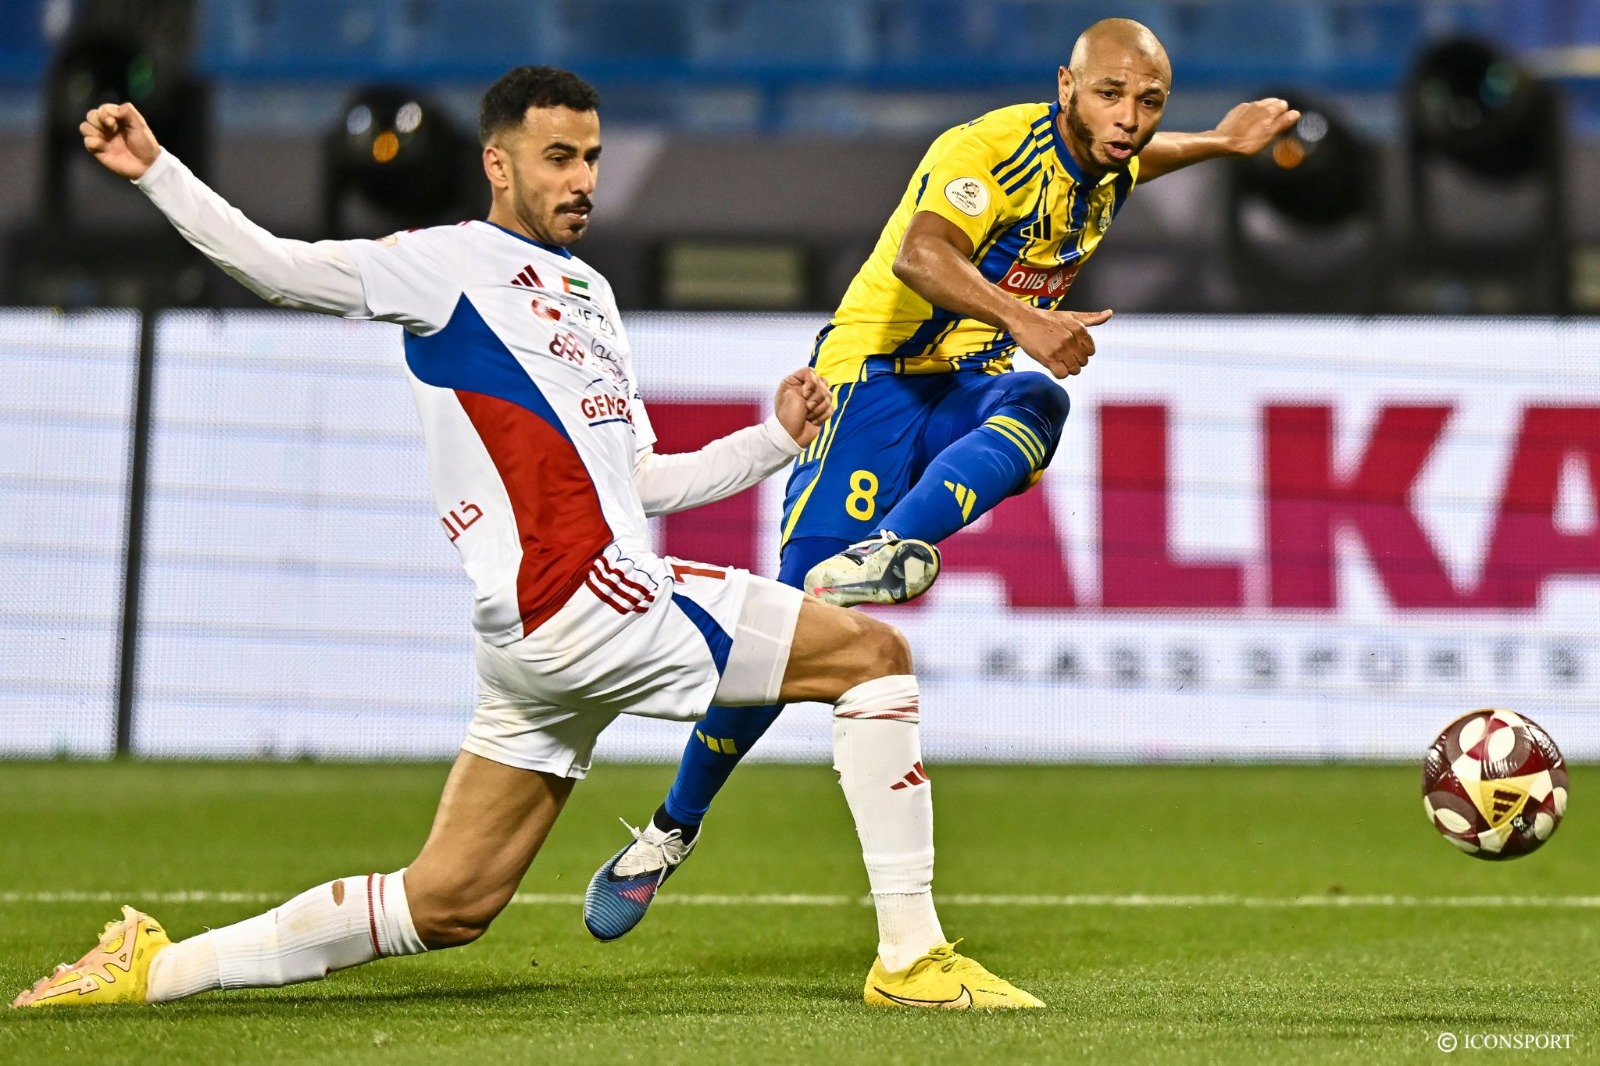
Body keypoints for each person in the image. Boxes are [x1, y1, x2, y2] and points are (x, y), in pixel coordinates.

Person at [12, 67, 1042, 1011]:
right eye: (558, 158)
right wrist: (156, 171)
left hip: (535, 641)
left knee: (446, 902)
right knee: (873, 655)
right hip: (587, 597)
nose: (581, 179)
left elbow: (641, 481)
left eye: (591, 156)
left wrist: (773, 439)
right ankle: (912, 960)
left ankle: (151, 969)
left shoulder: (591, 296)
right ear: (497, 165)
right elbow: (276, 268)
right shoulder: (445, 266)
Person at [585, 19, 1300, 938]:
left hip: (963, 380)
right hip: (871, 382)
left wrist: (1221, 143)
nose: (1129, 118)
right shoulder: (989, 150)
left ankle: (897, 545)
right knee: (789, 636)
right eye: (1110, 94)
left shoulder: (1110, 157)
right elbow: (921, 256)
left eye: (1149, 101)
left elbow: (1136, 158)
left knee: (1038, 403)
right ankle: (669, 832)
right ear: (1066, 87)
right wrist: (1028, 320)